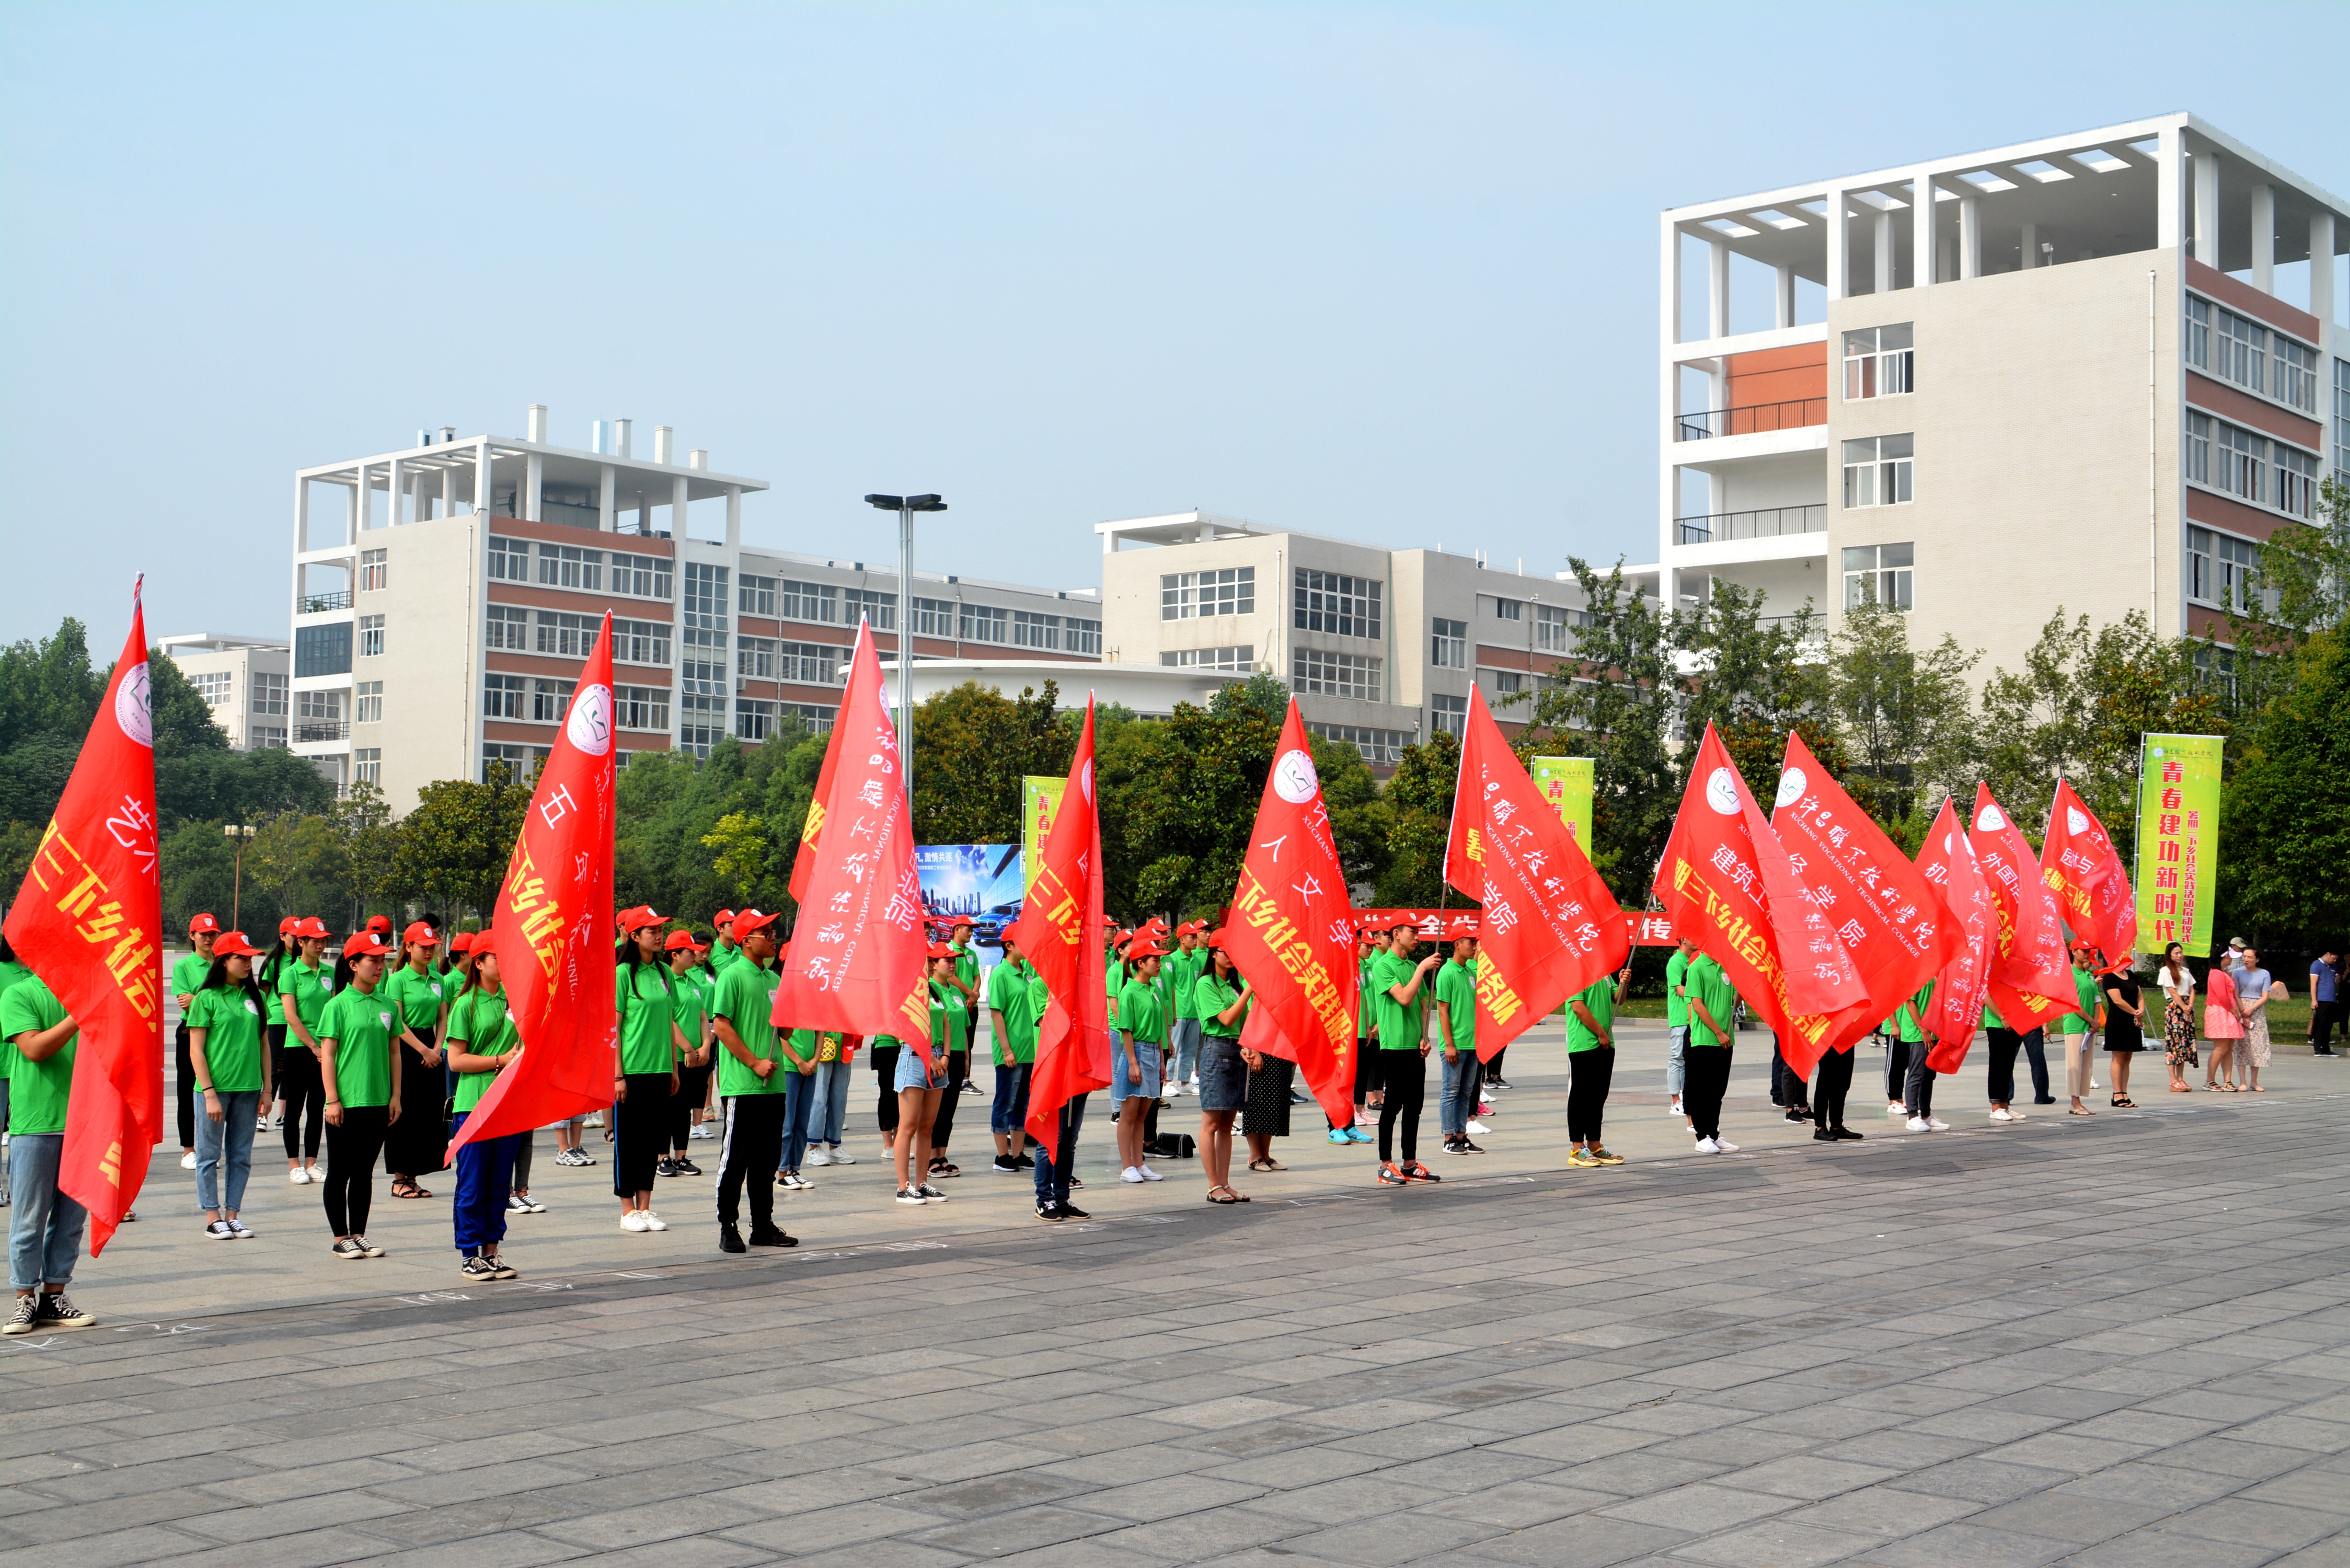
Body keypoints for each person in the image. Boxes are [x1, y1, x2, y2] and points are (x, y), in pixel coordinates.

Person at [1, 966, 97, 1334]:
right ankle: (24, 1297)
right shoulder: (19, 994)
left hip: (85, 1121)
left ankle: (54, 1295)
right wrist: (79, 1016)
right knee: (30, 1218)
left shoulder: (86, 992)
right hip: (37, 1122)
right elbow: (34, 1048)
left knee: (71, 1220)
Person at [709, 908, 794, 1250]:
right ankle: (728, 1225)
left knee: (766, 1161)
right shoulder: (733, 976)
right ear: (747, 941)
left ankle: (763, 1225)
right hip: (743, 1086)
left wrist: (793, 1009)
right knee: (735, 1160)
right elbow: (721, 1025)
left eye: (773, 931)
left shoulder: (775, 980)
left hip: (774, 1085)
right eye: (766, 932)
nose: (773, 937)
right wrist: (754, 1063)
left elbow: (784, 1029)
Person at [317, 932, 400, 1260]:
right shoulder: (337, 1006)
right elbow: (329, 1055)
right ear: (353, 965)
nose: (381, 967)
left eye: (383, 960)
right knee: (340, 1171)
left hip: (379, 1101)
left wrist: (396, 1096)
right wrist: (332, 1100)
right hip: (347, 1103)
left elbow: (395, 1052)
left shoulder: (388, 1005)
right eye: (374, 960)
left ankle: (359, 1234)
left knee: (365, 1171)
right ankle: (341, 1237)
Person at [188, 931, 271, 1240]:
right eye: (241, 958)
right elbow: (196, 1049)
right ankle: (213, 1216)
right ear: (223, 961)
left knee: (241, 1155)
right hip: (215, 1090)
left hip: (248, 1090)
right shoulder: (206, 998)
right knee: (210, 1155)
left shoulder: (257, 998)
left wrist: (267, 1089)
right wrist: (209, 1094)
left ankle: (234, 1214)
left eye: (250, 958)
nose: (248, 963)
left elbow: (264, 1045)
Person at [446, 946, 522, 1279]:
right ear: (478, 963)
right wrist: (499, 1061)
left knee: (499, 1182)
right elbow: (455, 1060)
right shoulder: (466, 1004)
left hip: (509, 1102)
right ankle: (469, 1254)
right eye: (498, 957)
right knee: (472, 1183)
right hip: (474, 1104)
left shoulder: (515, 1000)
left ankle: (492, 1250)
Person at [614, 908, 687, 1232]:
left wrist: (673, 1069)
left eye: (660, 930)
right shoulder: (622, 974)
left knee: (652, 1142)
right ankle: (627, 1210)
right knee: (629, 1142)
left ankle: (646, 1208)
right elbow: (613, 1029)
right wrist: (617, 1075)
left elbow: (668, 1024)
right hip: (631, 1071)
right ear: (634, 936)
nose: (659, 936)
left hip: (660, 1070)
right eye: (651, 930)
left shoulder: (663, 973)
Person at [379, 923, 450, 1201]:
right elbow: (397, 1022)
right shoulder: (398, 980)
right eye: (423, 947)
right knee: (405, 1114)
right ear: (409, 948)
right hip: (407, 1050)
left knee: (426, 1115)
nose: (429, 952)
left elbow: (443, 1017)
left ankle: (414, 1177)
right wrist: (423, 1050)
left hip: (432, 1048)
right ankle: (399, 1179)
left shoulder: (438, 979)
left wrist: (437, 1048)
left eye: (432, 947)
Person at [1370, 920, 1443, 1185]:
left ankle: (1410, 1163)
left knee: (1415, 1106)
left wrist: (1425, 1037)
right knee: (1393, 1106)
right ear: (1396, 935)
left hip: (1414, 1047)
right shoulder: (1383, 966)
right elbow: (1404, 998)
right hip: (1394, 1046)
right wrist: (1423, 968)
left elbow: (1423, 1006)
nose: (1417, 937)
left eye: (1419, 932)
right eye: (1413, 932)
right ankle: (1385, 1164)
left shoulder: (1412, 967)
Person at [891, 947, 960, 1205]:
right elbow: (905, 1029)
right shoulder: (908, 990)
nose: (931, 965)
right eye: (928, 961)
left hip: (938, 1060)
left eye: (932, 961)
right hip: (914, 1058)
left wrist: (945, 1057)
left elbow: (945, 1023)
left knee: (927, 1127)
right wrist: (929, 1058)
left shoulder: (935, 991)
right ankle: (903, 1186)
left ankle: (922, 1183)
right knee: (907, 1127)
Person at [1194, 933, 1252, 1204]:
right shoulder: (1206, 984)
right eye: (1223, 951)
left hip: (1237, 1051)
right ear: (1213, 954)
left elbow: (1246, 1023)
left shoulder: (1234, 986)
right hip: (1216, 1050)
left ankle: (1225, 1183)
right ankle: (1213, 1184)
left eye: (1233, 951)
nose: (1229, 956)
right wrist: (1250, 991)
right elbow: (1228, 1019)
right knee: (1212, 1122)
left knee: (1228, 1124)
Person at [275, 917, 333, 1184]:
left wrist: (327, 1047)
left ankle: (312, 1162)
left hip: (325, 1050)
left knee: (317, 1106)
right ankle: (294, 1165)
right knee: (295, 1108)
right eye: (315, 941)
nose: (320, 945)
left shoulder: (329, 974)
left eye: (323, 941)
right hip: (299, 1049)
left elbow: (333, 1012)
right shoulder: (290, 974)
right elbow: (291, 1016)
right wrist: (313, 1046)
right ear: (301, 943)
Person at [1564, 958, 1632, 1166]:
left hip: (1605, 1043)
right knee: (1581, 1095)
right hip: (1585, 1043)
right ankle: (1577, 1148)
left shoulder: (1601, 970)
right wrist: (1601, 1033)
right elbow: (1578, 1007)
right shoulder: (1576, 970)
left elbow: (1618, 999)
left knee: (1598, 1096)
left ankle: (1594, 1143)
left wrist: (1622, 983)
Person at [1114, 940, 1169, 1184]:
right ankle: (1127, 1166)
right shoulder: (1129, 991)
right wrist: (1133, 1063)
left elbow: (1158, 1028)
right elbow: (1126, 1030)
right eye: (1155, 960)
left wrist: (1162, 1060)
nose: (1159, 964)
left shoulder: (1152, 990)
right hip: (1135, 1052)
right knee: (1129, 1114)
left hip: (1153, 1054)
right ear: (1140, 964)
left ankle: (1140, 1163)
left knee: (1142, 1116)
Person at [986, 935, 1041, 1175]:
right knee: (1005, 1102)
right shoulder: (1001, 974)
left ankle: (1018, 1154)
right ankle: (1002, 1155)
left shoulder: (1027, 972)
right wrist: (1007, 1050)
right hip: (1011, 1052)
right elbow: (997, 1014)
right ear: (1009, 946)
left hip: (1031, 1050)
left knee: (1023, 1104)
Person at [170, 913, 221, 1170]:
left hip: (219, 1032)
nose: (210, 939)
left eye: (213, 934)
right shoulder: (184, 966)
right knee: (187, 1090)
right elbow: (184, 1001)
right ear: (192, 936)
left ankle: (209, 1146)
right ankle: (188, 1149)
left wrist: (199, 1000)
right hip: (190, 1031)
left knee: (215, 1088)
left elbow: (199, 1001)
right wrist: (210, 1002)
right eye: (204, 934)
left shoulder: (223, 962)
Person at [660, 931, 712, 1179]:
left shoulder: (693, 982)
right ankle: (663, 1158)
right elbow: (668, 1021)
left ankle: (681, 1157)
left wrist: (706, 1045)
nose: (695, 955)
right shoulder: (666, 981)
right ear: (675, 955)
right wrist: (688, 1049)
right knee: (668, 1109)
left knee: (684, 1110)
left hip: (696, 1057)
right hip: (676, 1057)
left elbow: (703, 1016)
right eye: (689, 952)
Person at [1682, 950, 1740, 1154]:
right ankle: (1701, 1136)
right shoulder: (1697, 967)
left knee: (1717, 1091)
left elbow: (1734, 1002)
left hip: (1726, 1040)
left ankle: (1713, 1134)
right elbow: (1697, 1005)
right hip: (1705, 1040)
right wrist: (1718, 1032)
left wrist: (1742, 990)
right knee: (1702, 1090)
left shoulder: (1727, 969)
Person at [1435, 927, 1485, 1157]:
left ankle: (1461, 1136)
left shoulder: (1469, 973)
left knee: (1466, 1092)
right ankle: (1448, 1138)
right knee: (1451, 1091)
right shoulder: (1447, 973)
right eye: (1470, 942)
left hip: (1473, 1044)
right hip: (1455, 1045)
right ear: (1457, 944)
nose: (1474, 946)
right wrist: (1449, 1044)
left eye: (1475, 942)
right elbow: (1443, 1011)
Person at [776, 1023, 827, 1191]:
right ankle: (782, 1172)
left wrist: (816, 1059)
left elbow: (820, 1030)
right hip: (790, 1067)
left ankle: (795, 1168)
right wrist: (799, 1062)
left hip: (811, 1069)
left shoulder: (814, 1004)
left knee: (802, 1123)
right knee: (787, 1124)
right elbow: (781, 1036)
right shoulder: (788, 1001)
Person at [2060, 945, 2104, 1117]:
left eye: (2089, 952)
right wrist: (2091, 1020)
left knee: (2086, 1065)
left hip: (2090, 1028)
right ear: (2074, 952)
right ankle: (2074, 1102)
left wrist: (2096, 1022)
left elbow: (2097, 999)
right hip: (2075, 1025)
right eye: (2084, 951)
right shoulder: (2069, 974)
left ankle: (2079, 1101)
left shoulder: (2089, 976)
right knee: (2075, 1065)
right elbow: (2071, 1003)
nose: (2088, 954)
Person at [1163, 922, 1205, 1097]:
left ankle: (1186, 1082)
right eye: (1192, 937)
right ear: (1182, 939)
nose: (1195, 940)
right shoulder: (1172, 959)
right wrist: (1172, 1012)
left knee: (1190, 1049)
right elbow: (1169, 986)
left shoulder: (1196, 960)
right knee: (1174, 1048)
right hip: (1179, 1011)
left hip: (1194, 1011)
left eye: (1196, 937)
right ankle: (1167, 1082)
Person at [1896, 980, 1944, 1131]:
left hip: (1933, 1031)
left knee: (1929, 1075)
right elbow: (1910, 1003)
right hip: (1918, 1033)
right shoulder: (1917, 974)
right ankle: (1912, 1116)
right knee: (1917, 1074)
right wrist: (1923, 1030)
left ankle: (1926, 1115)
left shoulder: (1935, 975)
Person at [2155, 943, 2198, 1091]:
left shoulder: (2186, 971)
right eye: (2176, 953)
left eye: (2181, 952)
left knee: (2184, 1044)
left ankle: (2181, 1078)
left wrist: (2190, 1006)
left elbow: (2192, 989)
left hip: (2187, 1006)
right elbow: (2173, 992)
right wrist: (2184, 1008)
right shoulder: (2166, 971)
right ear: (2170, 955)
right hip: (2175, 1008)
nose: (2179, 955)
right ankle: (2173, 1079)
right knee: (2174, 1043)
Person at [2102, 963, 2145, 1107]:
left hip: (2133, 1020)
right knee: (2119, 1058)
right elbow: (2118, 1001)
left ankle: (2125, 1093)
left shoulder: (2131, 974)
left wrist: (2141, 1011)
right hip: (2119, 1020)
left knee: (2128, 1058)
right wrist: (2135, 1013)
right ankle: (2117, 1094)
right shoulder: (2110, 977)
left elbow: (2139, 995)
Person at [1664, 933, 1696, 1122]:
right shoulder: (1676, 962)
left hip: (1689, 1018)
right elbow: (1679, 989)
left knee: (1687, 1061)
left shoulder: (1688, 961)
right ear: (1684, 939)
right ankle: (1675, 1101)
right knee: (1677, 1059)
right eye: (1693, 937)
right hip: (1680, 1018)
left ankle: (1684, 1098)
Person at [2233, 946, 2274, 1092]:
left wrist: (2252, 1009)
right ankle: (2242, 1081)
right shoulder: (2237, 973)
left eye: (2250, 957)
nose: (2246, 959)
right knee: (2242, 1045)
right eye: (2244, 956)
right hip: (2241, 1009)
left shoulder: (2264, 974)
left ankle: (2254, 1082)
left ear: (2257, 959)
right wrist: (2244, 1012)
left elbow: (2265, 996)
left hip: (2257, 1010)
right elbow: (2235, 994)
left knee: (2257, 1045)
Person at [2203, 949, 2245, 1090]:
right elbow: (2222, 996)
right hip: (2220, 1012)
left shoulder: (2223, 973)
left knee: (2228, 1048)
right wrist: (2234, 1010)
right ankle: (2210, 1081)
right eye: (2230, 957)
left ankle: (2228, 1080)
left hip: (2229, 1012)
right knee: (2221, 1048)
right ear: (2225, 957)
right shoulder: (2216, 973)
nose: (2232, 959)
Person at [1984, 998, 2029, 1123]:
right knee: (1997, 1066)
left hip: (2013, 1022)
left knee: (2007, 1067)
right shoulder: (1991, 978)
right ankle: (1995, 1108)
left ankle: (2004, 1106)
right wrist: (2002, 1017)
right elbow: (1985, 995)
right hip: (1997, 1024)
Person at [2309, 946, 2340, 1055]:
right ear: (2328, 954)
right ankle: (2317, 1048)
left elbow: (2333, 984)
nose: (2335, 961)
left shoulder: (2332, 967)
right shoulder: (2317, 965)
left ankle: (2326, 1048)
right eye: (2334, 958)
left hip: (2332, 999)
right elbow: (2313, 983)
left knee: (2329, 1025)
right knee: (2321, 1024)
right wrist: (2314, 1000)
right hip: (2322, 999)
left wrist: (2337, 981)